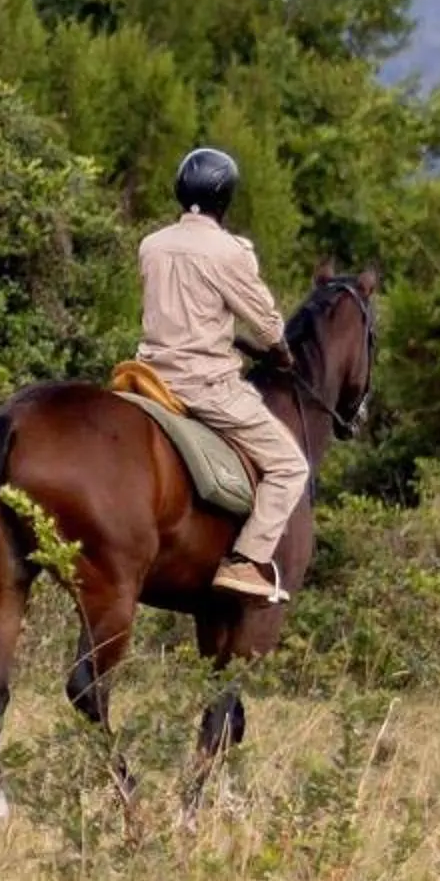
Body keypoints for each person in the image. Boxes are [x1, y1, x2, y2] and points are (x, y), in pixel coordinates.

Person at [136, 146, 311, 604]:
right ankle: (246, 561)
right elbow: (269, 324)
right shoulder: (229, 252)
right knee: (291, 466)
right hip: (205, 387)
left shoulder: (150, 245)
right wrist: (280, 352)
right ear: (225, 198)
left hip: (148, 377)